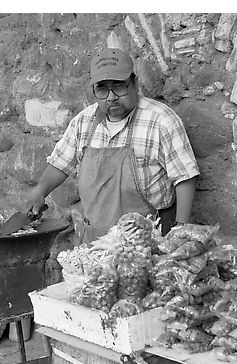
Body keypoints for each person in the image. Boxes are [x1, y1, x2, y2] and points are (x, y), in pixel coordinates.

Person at [27, 47, 199, 243]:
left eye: (119, 86)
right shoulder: (84, 122)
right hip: (96, 238)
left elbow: (185, 176)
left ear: (135, 83)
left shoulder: (161, 120)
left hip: (148, 238)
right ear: (94, 91)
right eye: (102, 89)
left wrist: (180, 229)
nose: (111, 97)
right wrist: (40, 192)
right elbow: (60, 163)